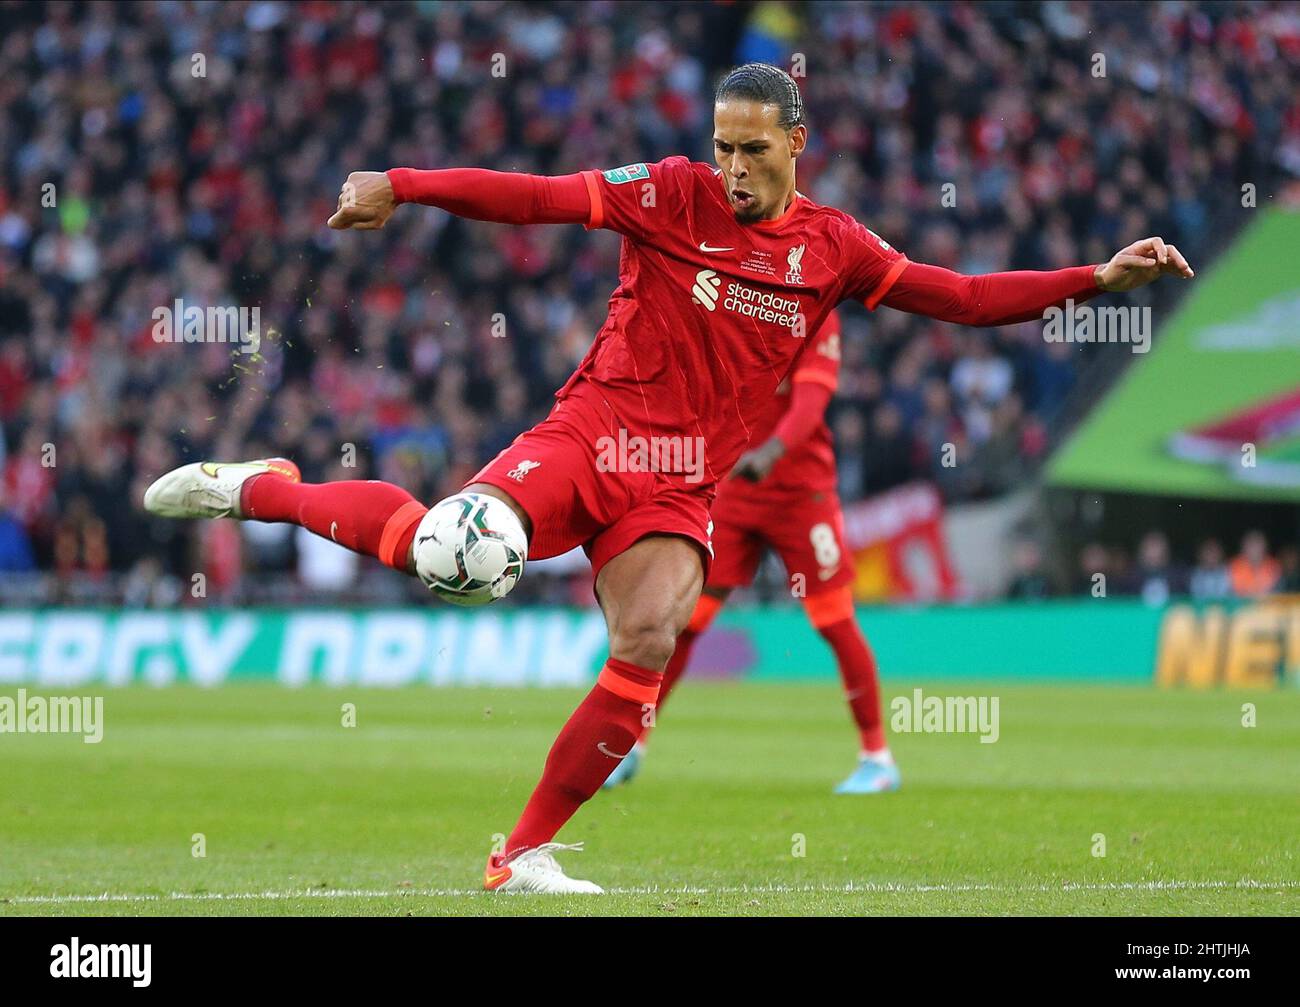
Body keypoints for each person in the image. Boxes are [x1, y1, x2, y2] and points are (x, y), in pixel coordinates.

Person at [142, 63, 1194, 894]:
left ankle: (518, 855)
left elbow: (959, 295)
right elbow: (537, 200)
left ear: (795, 143)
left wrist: (1092, 277)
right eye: (722, 147)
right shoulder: (670, 193)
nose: (731, 168)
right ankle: (266, 485)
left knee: (647, 640)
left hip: (680, 485)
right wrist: (404, 187)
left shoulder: (833, 248)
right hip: (592, 430)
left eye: (751, 149)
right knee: (449, 555)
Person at [602, 309, 899, 794]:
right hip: (735, 492)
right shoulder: (737, 306)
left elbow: (811, 403)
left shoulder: (815, 315)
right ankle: (632, 745)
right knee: (684, 622)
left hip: (802, 493)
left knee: (834, 621)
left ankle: (877, 758)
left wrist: (771, 452)